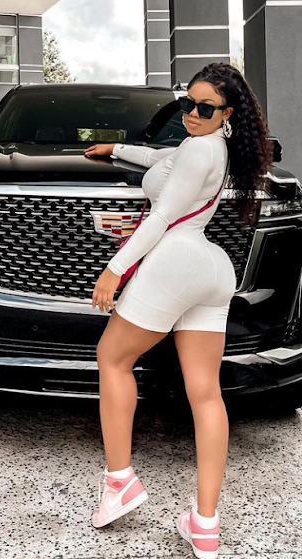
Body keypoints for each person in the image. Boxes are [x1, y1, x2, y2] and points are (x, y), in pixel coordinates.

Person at [83, 62, 273, 557]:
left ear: (227, 113)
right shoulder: (214, 148)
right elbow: (159, 157)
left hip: (174, 259)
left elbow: (165, 215)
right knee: (205, 393)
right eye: (187, 102)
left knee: (112, 358)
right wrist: (114, 149)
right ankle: (205, 525)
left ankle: (120, 482)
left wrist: (115, 269)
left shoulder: (200, 148)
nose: (191, 112)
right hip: (211, 269)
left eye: (205, 107)